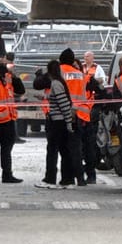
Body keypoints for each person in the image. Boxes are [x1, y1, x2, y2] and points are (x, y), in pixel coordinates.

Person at [34, 59, 80, 189]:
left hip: (57, 122)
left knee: (53, 150)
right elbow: (58, 98)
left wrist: (68, 122)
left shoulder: (55, 83)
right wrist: (44, 98)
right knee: (64, 151)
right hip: (60, 121)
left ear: (49, 72)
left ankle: (51, 179)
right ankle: (67, 180)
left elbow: (63, 104)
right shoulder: (59, 82)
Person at [59, 48, 90, 185]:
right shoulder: (80, 74)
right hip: (78, 114)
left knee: (64, 149)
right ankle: (80, 178)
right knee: (76, 149)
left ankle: (67, 178)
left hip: (62, 114)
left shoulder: (59, 72)